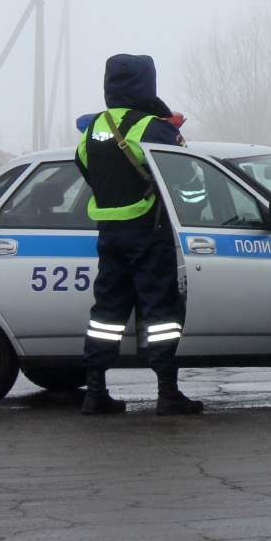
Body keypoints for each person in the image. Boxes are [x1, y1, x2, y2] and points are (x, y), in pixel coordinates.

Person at [72, 53, 204, 417]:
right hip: (148, 231)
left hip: (109, 234)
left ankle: (95, 391)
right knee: (160, 312)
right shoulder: (152, 127)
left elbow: (84, 167)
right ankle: (167, 393)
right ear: (147, 84)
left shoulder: (93, 128)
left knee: (107, 313)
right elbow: (188, 184)